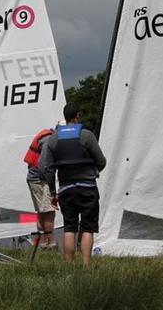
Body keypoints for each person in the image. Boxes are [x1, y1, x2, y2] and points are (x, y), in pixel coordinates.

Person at [41, 103, 106, 266]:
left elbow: (47, 168)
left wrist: (53, 192)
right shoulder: (87, 135)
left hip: (66, 190)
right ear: (78, 116)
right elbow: (101, 161)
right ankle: (86, 265)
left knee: (69, 227)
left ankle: (68, 265)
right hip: (88, 188)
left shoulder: (53, 138)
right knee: (87, 227)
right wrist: (93, 171)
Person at [24, 126, 57, 249]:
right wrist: (52, 188)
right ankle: (51, 243)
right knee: (49, 211)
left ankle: (43, 243)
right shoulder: (49, 139)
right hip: (40, 179)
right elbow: (44, 165)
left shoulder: (47, 137)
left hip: (34, 178)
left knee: (41, 211)